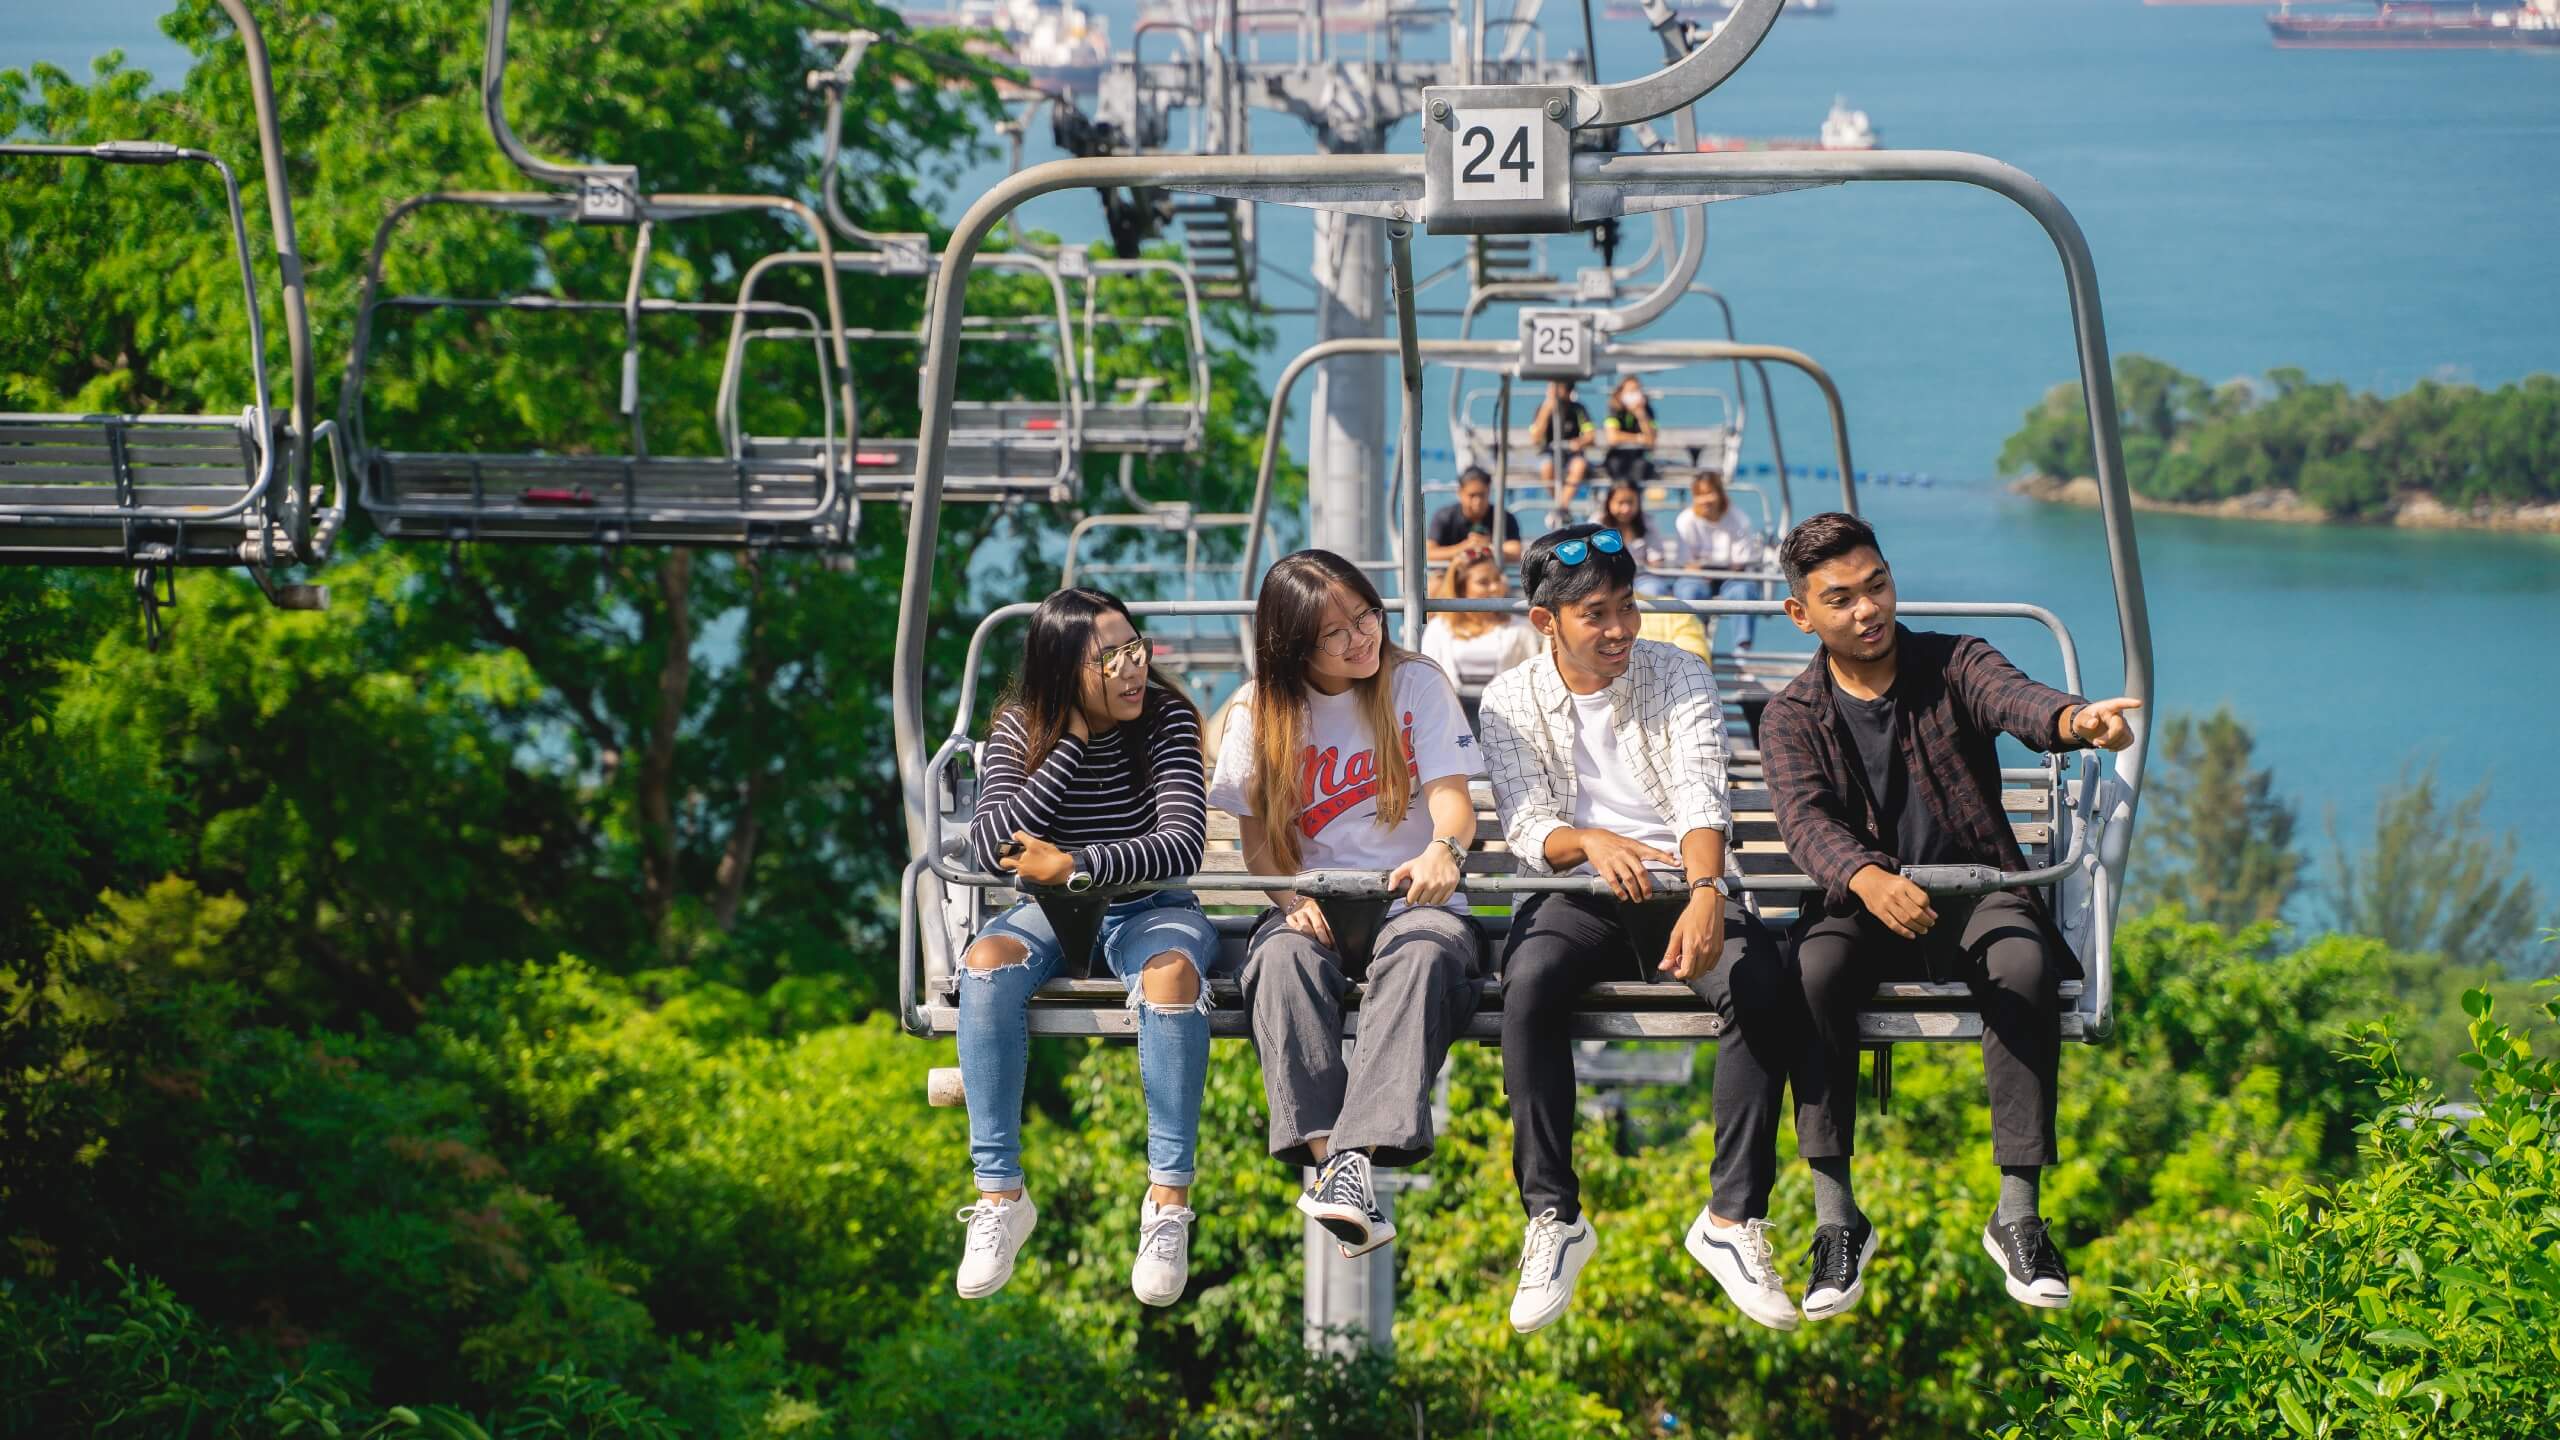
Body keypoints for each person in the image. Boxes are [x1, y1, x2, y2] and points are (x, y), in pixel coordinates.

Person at [1761, 512, 2141, 1320]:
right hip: (1861, 901)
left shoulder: (1953, 663)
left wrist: (2077, 723)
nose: (1868, 610)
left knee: (2024, 962)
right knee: (1812, 972)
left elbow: (2016, 700)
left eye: (1878, 585)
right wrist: (1865, 877)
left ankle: (2018, 1214)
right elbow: (1804, 820)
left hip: (1974, 887)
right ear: (1803, 616)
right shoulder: (1793, 715)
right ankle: (1836, 1220)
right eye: (1841, 599)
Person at [1476, 524, 1804, 1334]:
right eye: (1597, 614)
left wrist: (1703, 890)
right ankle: (1553, 1218)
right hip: (1582, 893)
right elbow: (1527, 826)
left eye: (1627, 607)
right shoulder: (1508, 698)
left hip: (1682, 885)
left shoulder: (1679, 672)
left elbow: (1701, 790)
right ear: (1546, 622)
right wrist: (1590, 842)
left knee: (1759, 980)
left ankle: (1730, 1220)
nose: (1621, 628)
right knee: (1530, 986)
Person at [954, 587, 1232, 1307]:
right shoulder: (1023, 728)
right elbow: (994, 846)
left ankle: (1167, 1206)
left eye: (1135, 649)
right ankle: (1001, 1197)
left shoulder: (1166, 720)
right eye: (1111, 660)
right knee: (986, 966)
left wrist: (1074, 864)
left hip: (1151, 907)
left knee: (1171, 977)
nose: (1134, 669)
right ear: (1062, 671)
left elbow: (1181, 844)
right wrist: (1069, 744)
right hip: (1052, 913)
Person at [1207, 550, 1486, 1261]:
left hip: (1410, 900)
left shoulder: (1414, 683)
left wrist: (1442, 852)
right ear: (1294, 643)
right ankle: (1339, 1164)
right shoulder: (1257, 710)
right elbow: (1262, 847)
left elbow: (1453, 804)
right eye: (1337, 632)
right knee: (1277, 962)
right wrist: (1290, 898)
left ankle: (1347, 1161)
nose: (1362, 637)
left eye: (1367, 614)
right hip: (1317, 901)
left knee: (1422, 955)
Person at [1596, 480, 1710, 662]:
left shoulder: (1646, 525)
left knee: (1653, 592)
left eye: (1630, 503)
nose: (1625, 509)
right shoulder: (1597, 526)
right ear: (1609, 504)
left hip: (1642, 577)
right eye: (1620, 503)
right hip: (1607, 580)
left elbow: (1656, 559)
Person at [1419, 544, 1542, 693]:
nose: (1495, 588)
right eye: (1483, 582)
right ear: (1461, 588)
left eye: (1498, 579)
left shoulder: (1522, 630)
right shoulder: (1438, 629)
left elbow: (1533, 684)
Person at [1674, 470, 1762, 649]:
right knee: (1689, 592)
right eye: (1700, 495)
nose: (1706, 500)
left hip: (1731, 574)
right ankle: (1694, 644)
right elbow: (1686, 562)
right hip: (1698, 575)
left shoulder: (1738, 519)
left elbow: (1740, 561)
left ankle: (1742, 649)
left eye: (1710, 493)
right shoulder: (1686, 521)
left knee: (1743, 592)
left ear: (1720, 494)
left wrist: (1716, 569)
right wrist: (1703, 571)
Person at [1425, 465, 1526, 563]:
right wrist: (1465, 548)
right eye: (1472, 495)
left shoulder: (1504, 518)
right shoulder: (1444, 517)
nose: (1477, 501)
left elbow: (1515, 553)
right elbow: (1429, 553)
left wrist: (1488, 548)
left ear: (1489, 491)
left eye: (1482, 495)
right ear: (1460, 493)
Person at [1529, 380, 1596, 526]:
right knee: (1546, 467)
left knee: (1579, 465)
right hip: (1550, 453)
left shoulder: (1578, 409)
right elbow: (1535, 437)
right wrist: (1546, 411)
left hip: (1572, 455)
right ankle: (1562, 508)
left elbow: (1590, 435)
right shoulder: (1542, 409)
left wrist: (1578, 442)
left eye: (1557, 388)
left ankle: (1560, 508)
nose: (1553, 392)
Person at [1600, 375, 1659, 485]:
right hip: (1617, 456)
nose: (1635, 394)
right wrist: (1638, 438)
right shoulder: (1614, 410)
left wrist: (1641, 415)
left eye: (1637, 390)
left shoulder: (1647, 412)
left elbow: (1651, 441)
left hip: (1639, 456)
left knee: (1641, 467)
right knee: (1616, 466)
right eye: (1631, 390)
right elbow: (1613, 438)